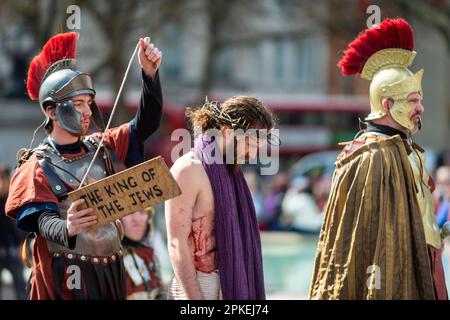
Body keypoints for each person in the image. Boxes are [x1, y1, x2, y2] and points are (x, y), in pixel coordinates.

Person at [5, 32, 163, 299]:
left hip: (110, 273)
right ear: (51, 110)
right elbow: (42, 221)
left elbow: (145, 124)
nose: (88, 111)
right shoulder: (36, 166)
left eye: (89, 103)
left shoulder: (102, 146)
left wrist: (150, 76)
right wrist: (67, 227)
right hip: (65, 277)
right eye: (78, 104)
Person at [309, 18, 447, 300]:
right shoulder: (371, 156)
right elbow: (364, 242)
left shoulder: (405, 149)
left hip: (426, 271)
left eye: (419, 99)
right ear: (387, 104)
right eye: (412, 100)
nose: (420, 107)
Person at [165, 96, 276, 300]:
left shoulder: (232, 174)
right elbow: (176, 242)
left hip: (230, 285)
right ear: (226, 132)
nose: (253, 154)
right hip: (197, 287)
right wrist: (194, 299)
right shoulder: (188, 169)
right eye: (250, 144)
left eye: (257, 147)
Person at [121, 207, 164, 300]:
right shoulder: (107, 260)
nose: (137, 219)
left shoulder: (150, 255)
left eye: (142, 212)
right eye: (129, 212)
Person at [0, 165, 27, 300]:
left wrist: (22, 245)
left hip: (14, 249)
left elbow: (23, 226)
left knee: (20, 285)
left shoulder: (14, 199)